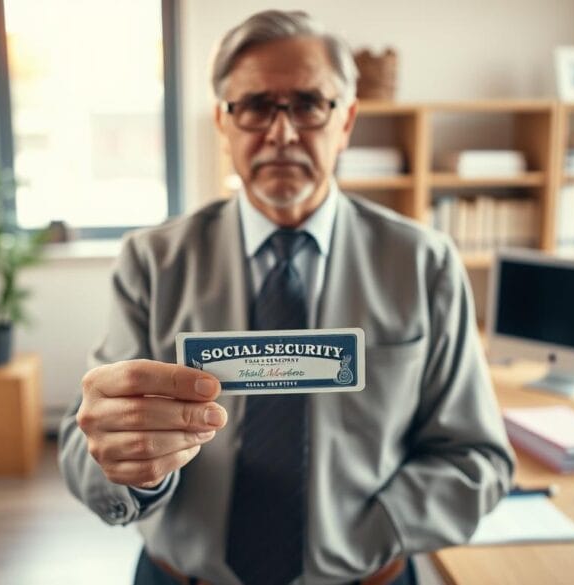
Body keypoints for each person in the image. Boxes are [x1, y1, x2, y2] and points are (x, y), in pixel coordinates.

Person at [58, 9, 515, 585]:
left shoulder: (425, 264)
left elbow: (479, 460)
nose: (281, 132)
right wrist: (137, 465)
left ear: (346, 121)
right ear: (223, 124)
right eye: (254, 107)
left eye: (307, 104)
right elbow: (85, 448)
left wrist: (366, 533)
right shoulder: (152, 262)